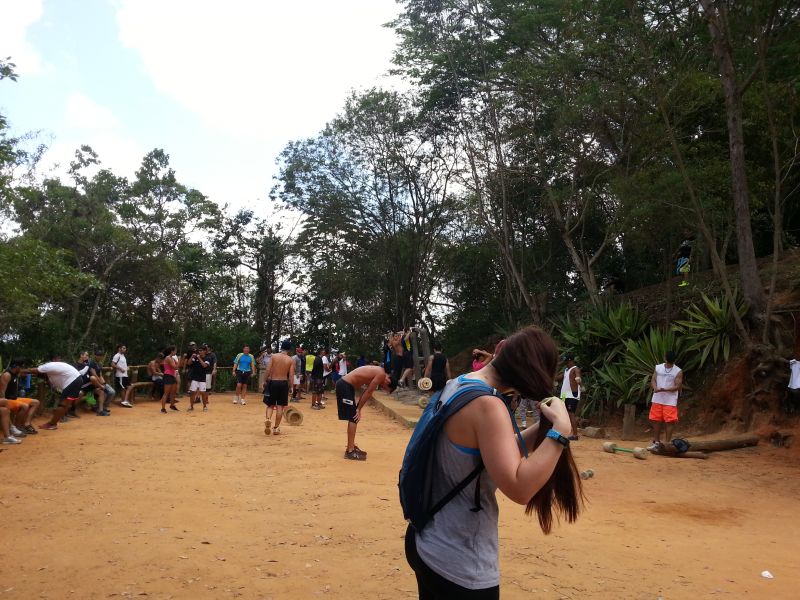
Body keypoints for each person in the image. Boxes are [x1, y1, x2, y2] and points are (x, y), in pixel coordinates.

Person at [404, 326, 582, 597]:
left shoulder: (460, 385)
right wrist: (561, 432)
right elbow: (520, 488)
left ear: (499, 348)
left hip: (427, 540)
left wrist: (546, 427)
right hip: (460, 562)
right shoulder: (489, 406)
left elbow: (498, 454)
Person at [336, 365, 397, 460]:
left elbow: (366, 391)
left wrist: (358, 407)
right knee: (354, 417)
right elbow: (369, 392)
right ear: (388, 381)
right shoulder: (381, 374)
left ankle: (351, 446)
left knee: (353, 417)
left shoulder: (380, 372)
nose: (382, 387)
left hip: (347, 386)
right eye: (385, 387)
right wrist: (358, 409)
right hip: (345, 385)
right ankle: (350, 451)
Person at [28, 358, 89, 430]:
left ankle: (52, 424)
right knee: (65, 405)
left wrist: (22, 371)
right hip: (76, 380)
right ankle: (55, 421)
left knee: (63, 405)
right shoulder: (52, 372)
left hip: (72, 381)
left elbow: (32, 370)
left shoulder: (46, 367)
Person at [648, 350, 684, 450]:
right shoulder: (658, 367)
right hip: (657, 399)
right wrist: (655, 388)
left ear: (665, 357)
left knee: (670, 421)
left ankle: (667, 444)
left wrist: (664, 389)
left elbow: (677, 386)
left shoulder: (677, 371)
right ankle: (656, 442)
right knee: (656, 420)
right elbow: (653, 379)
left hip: (670, 400)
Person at [0, 358, 40, 435]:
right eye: (22, 367)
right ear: (17, 367)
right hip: (7, 399)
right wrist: (5, 403)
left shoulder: (16, 373)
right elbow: (1, 392)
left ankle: (26, 424)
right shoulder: (7, 375)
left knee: (36, 402)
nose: (23, 369)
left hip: (15, 398)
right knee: (25, 406)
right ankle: (16, 428)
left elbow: (27, 372)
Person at [264, 340, 295, 435]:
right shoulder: (290, 360)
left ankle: (268, 419)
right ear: (289, 349)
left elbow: (268, 369)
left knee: (270, 405)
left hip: (273, 382)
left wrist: (265, 380)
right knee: (280, 406)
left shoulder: (274, 356)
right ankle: (276, 428)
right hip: (283, 383)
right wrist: (291, 387)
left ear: (281, 347)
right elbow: (291, 375)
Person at [556, 354, 582, 440]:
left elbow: (578, 377)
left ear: (571, 361)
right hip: (564, 395)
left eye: (566, 362)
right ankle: (565, 432)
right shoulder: (566, 370)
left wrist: (580, 384)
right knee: (563, 413)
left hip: (571, 394)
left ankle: (575, 435)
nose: (565, 364)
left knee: (571, 414)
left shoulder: (575, 369)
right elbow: (557, 378)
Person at [88, 349, 115, 415]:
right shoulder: (91, 363)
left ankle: (103, 406)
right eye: (98, 355)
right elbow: (94, 374)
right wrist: (100, 383)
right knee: (103, 392)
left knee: (112, 392)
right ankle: (99, 409)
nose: (100, 357)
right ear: (95, 356)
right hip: (92, 383)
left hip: (99, 382)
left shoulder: (100, 364)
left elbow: (100, 374)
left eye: (101, 355)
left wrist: (104, 383)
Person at [186, 347, 209, 411]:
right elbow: (189, 363)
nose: (200, 352)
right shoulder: (195, 358)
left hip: (202, 379)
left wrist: (199, 358)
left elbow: (204, 365)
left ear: (204, 351)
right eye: (199, 351)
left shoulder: (207, 358)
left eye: (201, 350)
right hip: (195, 378)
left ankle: (204, 406)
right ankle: (191, 406)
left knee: (203, 393)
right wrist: (191, 357)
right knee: (192, 392)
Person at [159, 346, 179, 413]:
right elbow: (175, 367)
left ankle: (172, 405)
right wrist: (180, 360)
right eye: (175, 351)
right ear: (172, 351)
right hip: (168, 376)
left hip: (172, 376)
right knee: (166, 393)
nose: (176, 352)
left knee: (173, 392)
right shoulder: (168, 358)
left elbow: (178, 365)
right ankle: (163, 409)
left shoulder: (172, 358)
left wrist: (181, 360)